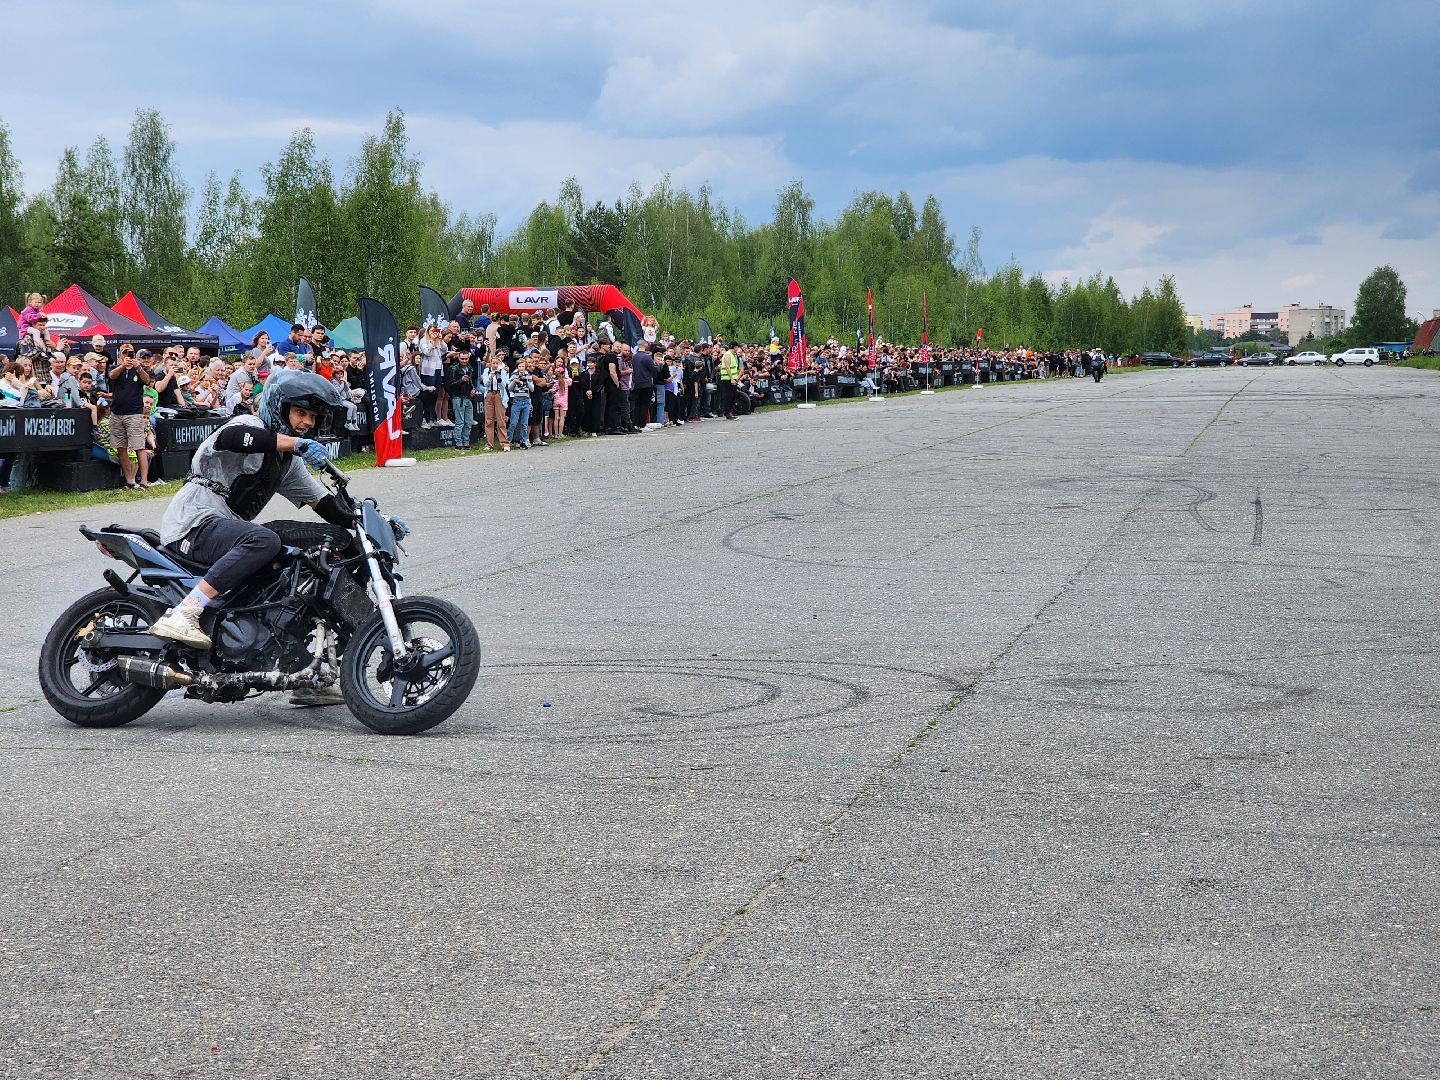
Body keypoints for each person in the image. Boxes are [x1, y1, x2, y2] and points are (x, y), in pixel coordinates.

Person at [148, 370, 351, 663]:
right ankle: (185, 612)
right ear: (279, 407)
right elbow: (234, 437)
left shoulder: (287, 463)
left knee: (305, 553)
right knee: (263, 540)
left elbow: (323, 503)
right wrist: (295, 444)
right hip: (192, 524)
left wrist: (367, 521)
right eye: (300, 412)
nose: (307, 422)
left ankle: (302, 667)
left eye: (313, 417)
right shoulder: (248, 425)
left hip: (226, 531)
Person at [108, 346, 153, 490]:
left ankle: (144, 482)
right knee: (121, 448)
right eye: (125, 353)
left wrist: (138, 367)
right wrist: (123, 365)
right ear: (120, 355)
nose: (128, 355)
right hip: (117, 413)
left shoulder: (139, 369)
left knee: (139, 447)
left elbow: (147, 381)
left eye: (130, 353)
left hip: (134, 413)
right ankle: (129, 481)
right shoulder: (115, 367)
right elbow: (111, 376)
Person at [479, 354, 511, 451]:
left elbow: (505, 384)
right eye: (493, 363)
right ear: (490, 363)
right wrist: (490, 377)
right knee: (489, 420)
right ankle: (489, 444)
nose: (495, 365)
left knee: (501, 419)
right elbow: (485, 383)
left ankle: (504, 443)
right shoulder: (486, 371)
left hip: (499, 394)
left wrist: (499, 378)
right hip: (489, 394)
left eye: (497, 363)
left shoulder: (502, 372)